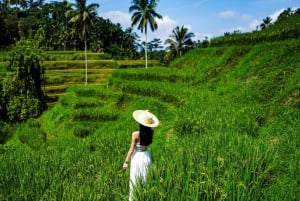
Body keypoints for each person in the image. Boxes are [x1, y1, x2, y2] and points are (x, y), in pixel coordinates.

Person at [123, 110, 159, 201]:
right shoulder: (151, 132)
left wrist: (126, 162)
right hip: (146, 155)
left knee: (135, 177)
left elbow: (131, 150)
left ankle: (135, 197)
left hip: (137, 157)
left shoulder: (135, 134)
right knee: (145, 176)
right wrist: (146, 113)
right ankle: (146, 197)